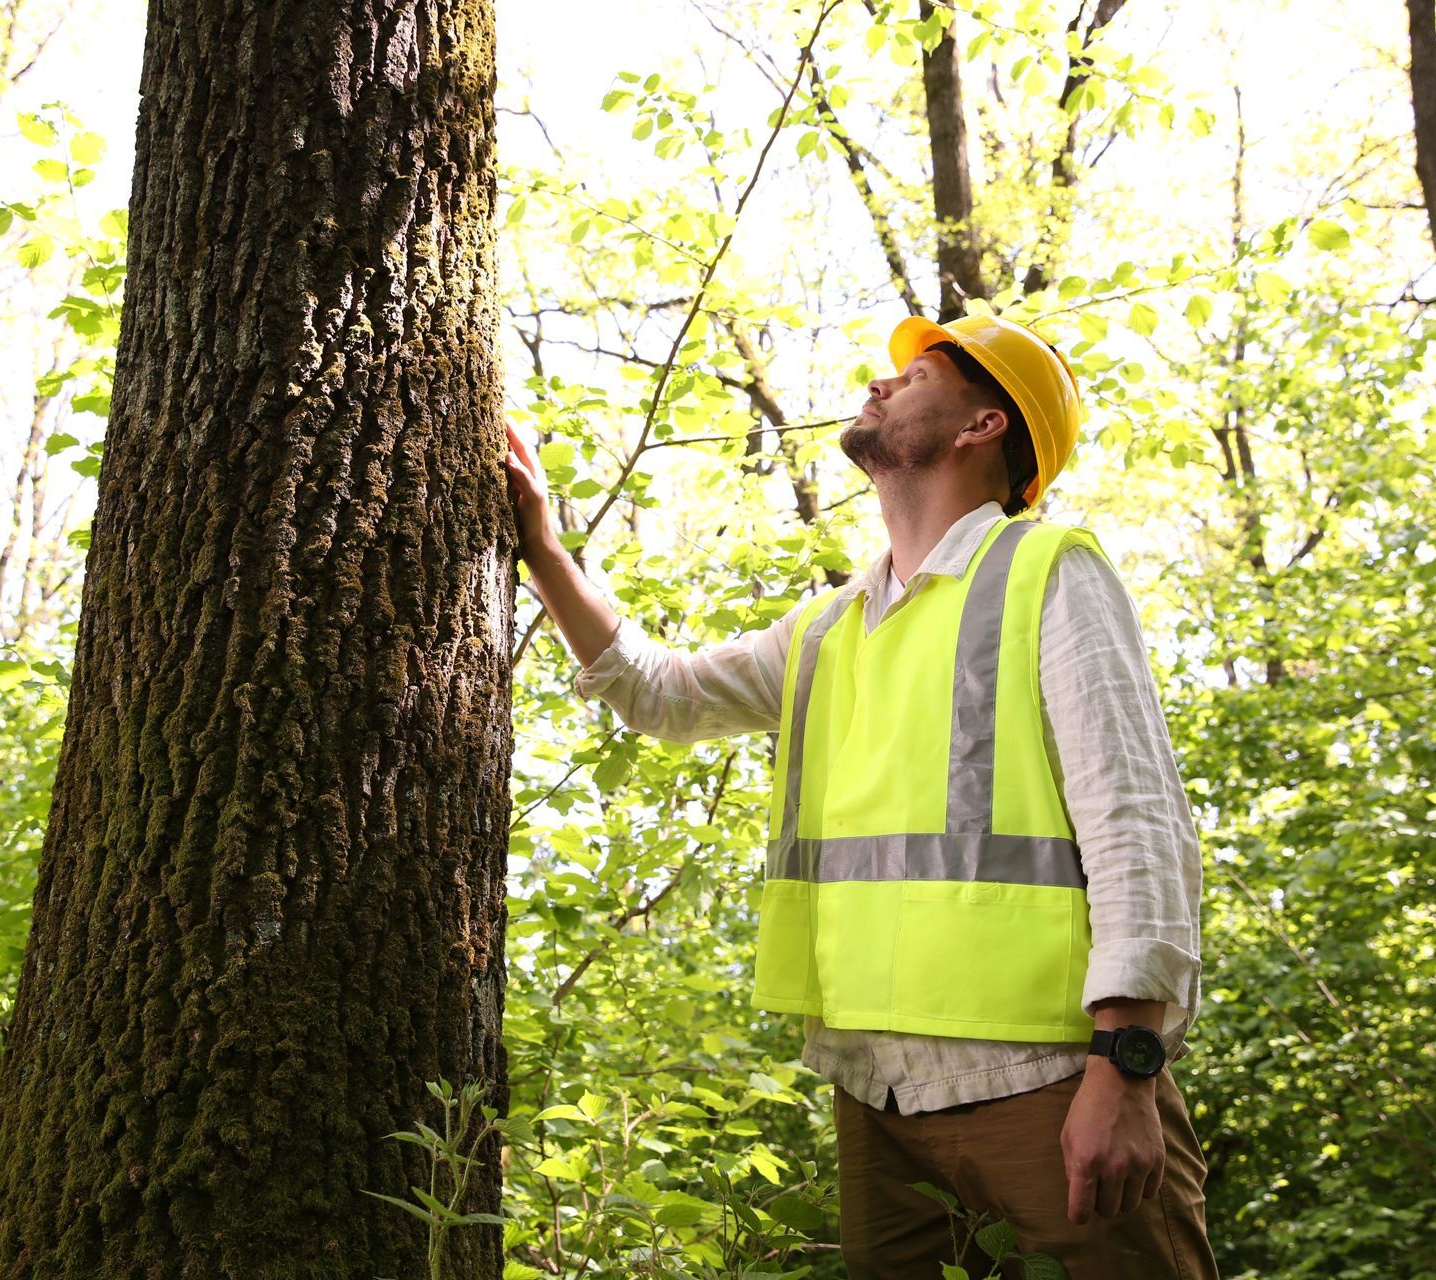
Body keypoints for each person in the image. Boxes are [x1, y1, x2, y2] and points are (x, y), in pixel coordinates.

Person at [503, 312, 1217, 1279]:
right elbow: (660, 694)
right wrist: (544, 554)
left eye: (918, 377)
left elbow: (1136, 822)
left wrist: (1127, 1069)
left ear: (982, 427)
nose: (880, 386)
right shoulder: (831, 624)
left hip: (1045, 1084)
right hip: (877, 1096)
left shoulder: (1049, 572)